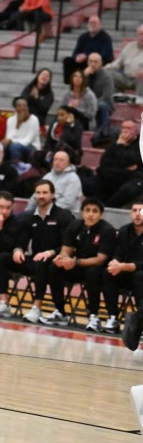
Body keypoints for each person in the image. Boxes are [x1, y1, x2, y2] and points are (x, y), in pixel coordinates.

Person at [0, 179, 73, 322]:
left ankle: (36, 308)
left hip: (53, 260)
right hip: (34, 258)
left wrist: (49, 252)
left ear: (52, 195)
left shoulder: (63, 216)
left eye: (45, 192)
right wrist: (18, 250)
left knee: (42, 263)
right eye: (38, 193)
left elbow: (67, 244)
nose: (41, 196)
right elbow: (22, 240)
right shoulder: (29, 216)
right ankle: (3, 303)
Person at [41, 197, 115, 330]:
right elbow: (66, 249)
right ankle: (60, 312)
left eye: (94, 211)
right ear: (82, 212)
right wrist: (62, 260)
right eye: (87, 210)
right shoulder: (75, 225)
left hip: (96, 268)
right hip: (77, 265)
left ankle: (94, 316)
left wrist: (75, 262)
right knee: (54, 267)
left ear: (101, 214)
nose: (90, 214)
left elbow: (100, 259)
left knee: (93, 272)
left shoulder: (107, 230)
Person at [102, 199, 143, 337]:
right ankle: (113, 317)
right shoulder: (125, 230)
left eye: (141, 211)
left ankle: (140, 321)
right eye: (135, 210)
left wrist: (128, 266)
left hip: (139, 274)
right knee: (108, 272)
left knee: (140, 276)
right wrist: (115, 263)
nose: (138, 214)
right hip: (126, 272)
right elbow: (118, 252)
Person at [94, 119, 143, 206]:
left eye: (128, 128)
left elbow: (131, 160)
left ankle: (108, 207)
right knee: (94, 183)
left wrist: (121, 146)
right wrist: (119, 145)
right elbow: (104, 162)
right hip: (116, 174)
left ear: (136, 131)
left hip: (134, 177)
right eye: (123, 128)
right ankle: (98, 207)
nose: (125, 131)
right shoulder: (115, 142)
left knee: (128, 190)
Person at [25, 150, 83, 216]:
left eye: (61, 160)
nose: (57, 162)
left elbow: (67, 203)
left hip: (65, 214)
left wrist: (46, 210)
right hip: (43, 211)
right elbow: (35, 196)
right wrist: (28, 212)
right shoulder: (48, 176)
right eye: (55, 160)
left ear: (68, 163)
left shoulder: (73, 179)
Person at [62, 15, 114, 85]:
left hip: (98, 63)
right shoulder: (83, 37)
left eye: (95, 23)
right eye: (90, 23)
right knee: (67, 61)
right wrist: (77, 57)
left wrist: (87, 56)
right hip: (84, 62)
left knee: (94, 63)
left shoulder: (105, 38)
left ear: (100, 25)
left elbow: (106, 55)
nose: (92, 25)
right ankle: (71, 83)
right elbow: (76, 51)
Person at [104, 24, 143, 98]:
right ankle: (113, 99)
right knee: (108, 73)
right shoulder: (129, 47)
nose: (142, 37)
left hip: (139, 80)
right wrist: (108, 67)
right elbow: (118, 63)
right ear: (137, 35)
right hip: (126, 77)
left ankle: (140, 103)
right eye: (141, 34)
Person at [84, 52, 115, 138]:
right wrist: (83, 76)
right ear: (87, 63)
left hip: (104, 104)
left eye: (96, 61)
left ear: (101, 63)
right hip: (86, 103)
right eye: (90, 61)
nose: (93, 64)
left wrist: (92, 105)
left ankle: (102, 132)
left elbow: (106, 96)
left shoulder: (107, 76)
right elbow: (76, 90)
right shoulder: (84, 74)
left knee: (102, 105)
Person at [3, 97, 41, 164]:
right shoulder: (10, 120)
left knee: (14, 147)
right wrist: (18, 125)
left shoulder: (34, 119)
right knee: (0, 146)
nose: (22, 108)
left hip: (32, 146)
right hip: (15, 144)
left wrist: (12, 141)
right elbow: (8, 138)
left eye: (24, 105)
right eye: (19, 106)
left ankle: (18, 167)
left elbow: (28, 140)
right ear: (15, 108)